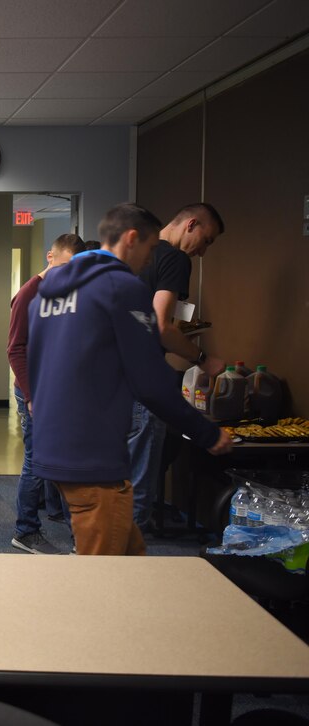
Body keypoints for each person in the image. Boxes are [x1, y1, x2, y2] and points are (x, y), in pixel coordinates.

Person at [27, 203, 233, 556]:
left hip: (53, 445)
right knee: (105, 582)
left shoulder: (47, 293)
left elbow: (35, 364)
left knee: (130, 558)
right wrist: (207, 433)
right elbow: (150, 382)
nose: (151, 260)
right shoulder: (123, 289)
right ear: (132, 239)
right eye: (152, 249)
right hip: (92, 458)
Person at [128, 202, 226, 528]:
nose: (204, 252)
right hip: (142, 378)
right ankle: (120, 560)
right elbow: (160, 324)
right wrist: (202, 358)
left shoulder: (131, 255)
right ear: (191, 224)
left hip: (110, 378)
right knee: (137, 488)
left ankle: (91, 550)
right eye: (207, 240)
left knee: (112, 479)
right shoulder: (174, 258)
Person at [6, 233, 85, 554]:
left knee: (63, 463)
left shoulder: (68, 292)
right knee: (36, 464)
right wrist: (31, 395)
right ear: (50, 257)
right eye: (64, 265)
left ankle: (77, 532)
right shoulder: (29, 293)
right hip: (34, 396)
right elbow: (15, 350)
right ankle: (25, 531)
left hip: (59, 395)